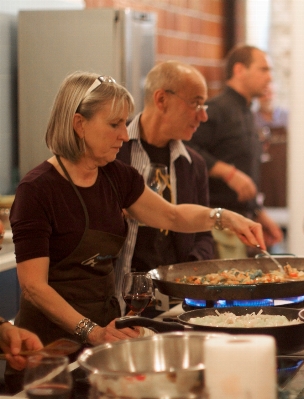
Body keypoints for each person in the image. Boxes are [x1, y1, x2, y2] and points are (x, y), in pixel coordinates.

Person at [8, 71, 265, 354]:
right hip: (47, 345)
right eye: (114, 124)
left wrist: (224, 217)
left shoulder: (117, 176)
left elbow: (172, 216)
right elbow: (33, 286)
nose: (123, 133)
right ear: (79, 124)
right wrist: (89, 331)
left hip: (105, 332)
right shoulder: (37, 189)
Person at [113, 61, 214, 314]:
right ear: (161, 100)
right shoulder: (113, 152)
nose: (203, 116)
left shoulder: (193, 164)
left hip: (173, 307)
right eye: (196, 103)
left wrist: (184, 275)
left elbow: (203, 238)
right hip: (114, 304)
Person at [187, 45, 283, 257]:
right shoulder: (215, 109)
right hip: (216, 226)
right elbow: (186, 147)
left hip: (241, 220)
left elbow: (244, 169)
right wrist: (227, 172)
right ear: (239, 70)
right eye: (264, 70)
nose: (270, 78)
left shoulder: (249, 112)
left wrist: (259, 213)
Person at [254, 84, 304, 207]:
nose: (267, 97)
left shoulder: (291, 118)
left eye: (270, 93)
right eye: (263, 94)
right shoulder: (252, 121)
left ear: (275, 94)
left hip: (290, 182)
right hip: (263, 183)